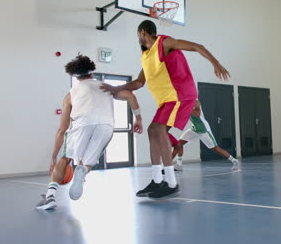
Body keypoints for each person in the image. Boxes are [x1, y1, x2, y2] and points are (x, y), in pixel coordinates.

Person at [101, 20, 230, 198]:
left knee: (158, 128)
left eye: (137, 34)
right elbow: (139, 83)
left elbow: (196, 46)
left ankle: (171, 182)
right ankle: (157, 180)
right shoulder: (146, 57)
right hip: (166, 100)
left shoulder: (164, 43)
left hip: (180, 94)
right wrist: (115, 89)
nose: (137, 38)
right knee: (152, 130)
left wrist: (216, 63)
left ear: (143, 32)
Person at [36, 55, 143, 210]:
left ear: (74, 75)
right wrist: (138, 119)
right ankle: (83, 171)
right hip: (106, 125)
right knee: (88, 162)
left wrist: (53, 157)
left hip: (82, 123)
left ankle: (50, 197)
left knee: (65, 159)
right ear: (92, 71)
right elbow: (130, 95)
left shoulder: (70, 94)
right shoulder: (105, 86)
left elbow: (62, 129)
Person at [172, 100, 240, 171]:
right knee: (179, 144)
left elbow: (197, 114)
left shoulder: (195, 102)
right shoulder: (183, 103)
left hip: (204, 130)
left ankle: (234, 161)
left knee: (215, 149)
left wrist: (185, 108)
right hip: (194, 129)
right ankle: (179, 165)